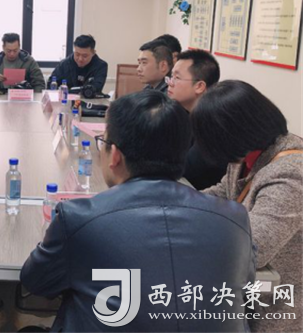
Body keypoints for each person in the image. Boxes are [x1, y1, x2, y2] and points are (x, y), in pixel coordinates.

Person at [21, 91, 255, 332]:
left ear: (115, 155)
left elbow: (35, 282)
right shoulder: (235, 219)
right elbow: (245, 288)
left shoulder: (79, 218)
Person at [192, 80, 302, 332]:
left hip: (277, 307)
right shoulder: (247, 154)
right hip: (247, 295)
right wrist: (177, 203)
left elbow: (256, 247)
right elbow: (223, 192)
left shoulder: (290, 172)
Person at [167, 49, 228, 190]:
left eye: (177, 78)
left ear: (199, 86)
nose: (170, 83)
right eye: (171, 76)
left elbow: (184, 167)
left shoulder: (213, 123)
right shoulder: (185, 112)